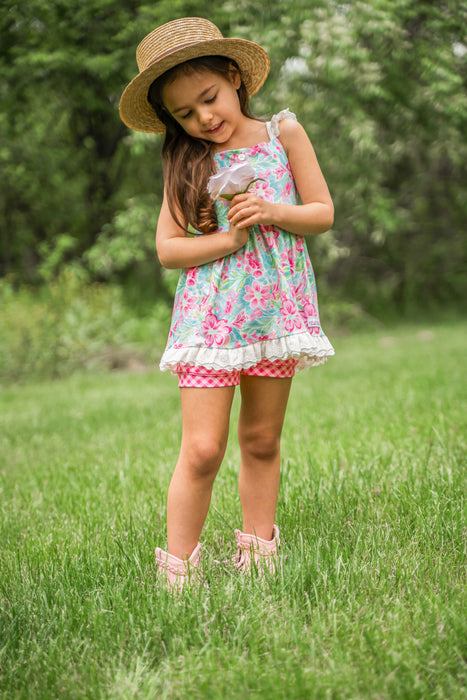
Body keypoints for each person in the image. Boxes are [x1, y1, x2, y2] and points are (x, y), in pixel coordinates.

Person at [120, 17, 335, 588]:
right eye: (185, 113)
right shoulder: (185, 159)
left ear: (235, 78)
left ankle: (259, 558)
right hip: (210, 321)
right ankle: (178, 573)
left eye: (209, 99)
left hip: (272, 314)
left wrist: (271, 212)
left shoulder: (282, 133)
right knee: (203, 448)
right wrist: (228, 239)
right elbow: (168, 249)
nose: (204, 119)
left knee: (261, 439)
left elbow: (321, 212)